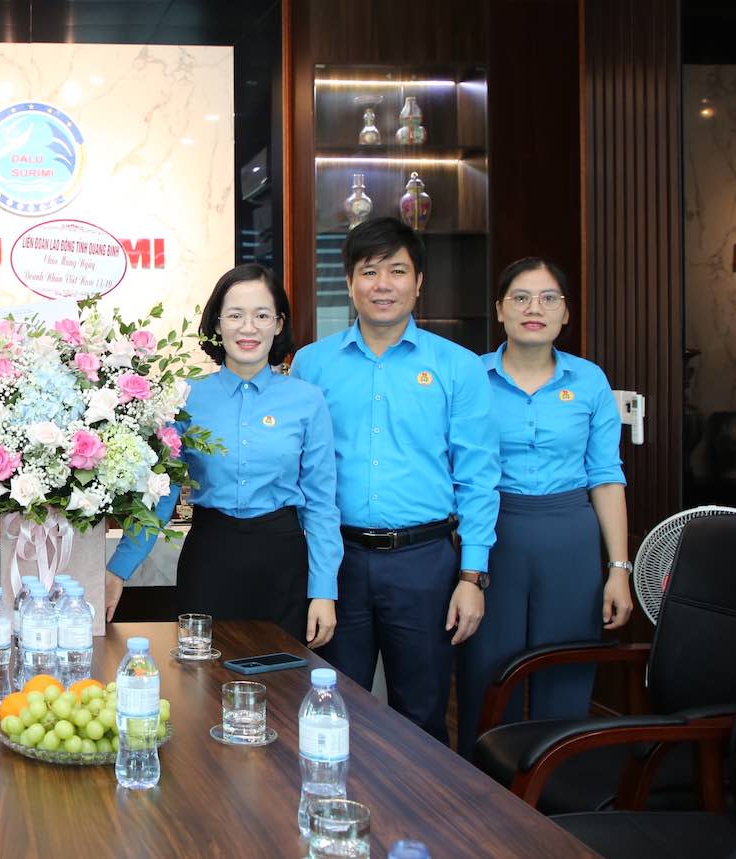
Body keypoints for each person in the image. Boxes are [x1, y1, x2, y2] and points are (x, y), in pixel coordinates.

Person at [290, 216, 500, 745]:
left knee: (423, 715)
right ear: (350, 282)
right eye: (369, 271)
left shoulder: (458, 367)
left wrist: (471, 578)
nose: (383, 284)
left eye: (397, 271)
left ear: (419, 281)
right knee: (334, 708)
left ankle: (420, 826)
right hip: (339, 560)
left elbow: (478, 476)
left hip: (425, 562)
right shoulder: (312, 365)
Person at [104, 265, 341, 647]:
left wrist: (324, 591)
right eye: (235, 315)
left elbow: (321, 504)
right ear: (217, 324)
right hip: (209, 557)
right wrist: (118, 569)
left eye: (262, 315)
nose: (248, 328)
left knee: (282, 685)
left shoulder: (307, 401)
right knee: (203, 685)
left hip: (284, 561)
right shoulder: (184, 398)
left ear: (279, 324)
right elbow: (162, 495)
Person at [455, 258, 633, 755]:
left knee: (567, 671)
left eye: (549, 298)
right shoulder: (471, 377)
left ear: (565, 314)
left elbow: (606, 475)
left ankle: (558, 796)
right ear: (500, 310)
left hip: (570, 536)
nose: (535, 309)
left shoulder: (590, 380)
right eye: (521, 297)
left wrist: (618, 568)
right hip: (493, 533)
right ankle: (482, 794)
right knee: (486, 673)